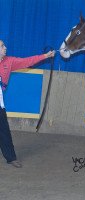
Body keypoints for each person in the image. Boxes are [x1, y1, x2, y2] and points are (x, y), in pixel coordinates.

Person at [0, 40, 55, 168]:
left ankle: (11, 157)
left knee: (4, 131)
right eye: (2, 46)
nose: (5, 48)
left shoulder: (10, 61)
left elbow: (27, 61)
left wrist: (45, 56)